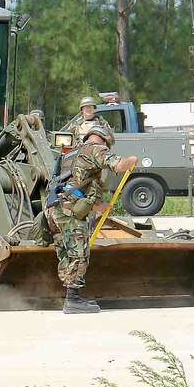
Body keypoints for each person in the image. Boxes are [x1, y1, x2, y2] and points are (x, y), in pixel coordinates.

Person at [45, 125, 137, 314]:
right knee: (79, 253)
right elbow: (119, 165)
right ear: (104, 140)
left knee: (65, 253)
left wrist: (96, 207)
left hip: (56, 210)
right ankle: (73, 299)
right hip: (72, 213)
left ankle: (69, 296)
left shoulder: (70, 153)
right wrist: (132, 160)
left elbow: (72, 187)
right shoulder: (95, 149)